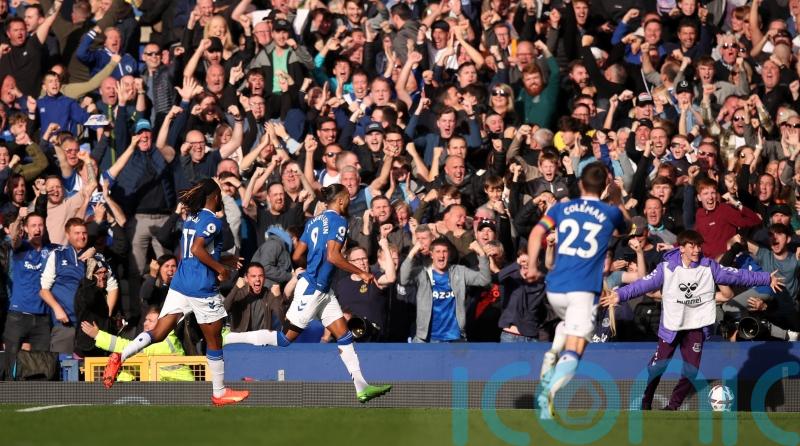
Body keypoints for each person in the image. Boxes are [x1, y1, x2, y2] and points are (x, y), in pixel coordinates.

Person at [224, 184, 392, 403]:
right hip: (313, 289)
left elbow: (298, 255)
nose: (349, 202)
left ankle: (362, 387)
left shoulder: (314, 221)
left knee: (344, 335)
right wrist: (362, 272)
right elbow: (333, 256)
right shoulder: (339, 221)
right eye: (348, 199)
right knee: (285, 339)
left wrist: (311, 267)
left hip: (322, 290)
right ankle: (230, 337)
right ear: (340, 201)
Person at [101, 178, 249, 406]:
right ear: (216, 197)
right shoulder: (213, 221)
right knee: (215, 339)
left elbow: (196, 253)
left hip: (180, 284)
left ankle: (120, 356)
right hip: (200, 287)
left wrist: (226, 259)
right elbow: (197, 249)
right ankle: (219, 393)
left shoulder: (192, 218)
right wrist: (221, 269)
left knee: (158, 332)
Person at [602, 230, 783, 410]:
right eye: (692, 246)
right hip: (671, 326)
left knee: (691, 371)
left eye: (698, 246)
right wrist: (619, 295)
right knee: (657, 368)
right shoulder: (666, 268)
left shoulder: (708, 266)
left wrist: (766, 278)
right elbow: (643, 285)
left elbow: (737, 275)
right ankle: (646, 402)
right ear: (682, 248)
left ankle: (672, 407)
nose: (697, 250)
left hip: (695, 327)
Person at [525, 162, 626, 419]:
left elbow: (537, 232)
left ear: (580, 183)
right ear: (605, 185)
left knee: (566, 325)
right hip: (583, 289)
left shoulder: (561, 207)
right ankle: (548, 394)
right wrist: (617, 197)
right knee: (577, 349)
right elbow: (627, 226)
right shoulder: (609, 212)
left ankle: (551, 353)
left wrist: (534, 265)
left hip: (555, 287)